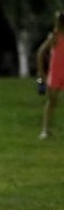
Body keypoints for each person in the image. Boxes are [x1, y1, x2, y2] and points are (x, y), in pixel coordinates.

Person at [37, 11, 64, 140]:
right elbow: (41, 52)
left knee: (52, 101)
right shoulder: (54, 36)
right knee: (51, 101)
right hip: (56, 74)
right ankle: (45, 130)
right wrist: (41, 72)